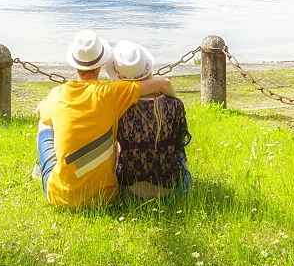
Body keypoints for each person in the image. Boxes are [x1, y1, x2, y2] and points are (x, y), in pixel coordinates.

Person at [36, 29, 177, 209]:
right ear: (102, 64)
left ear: (74, 63)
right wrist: (173, 103)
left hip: (61, 198)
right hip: (105, 197)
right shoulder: (111, 93)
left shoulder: (57, 95)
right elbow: (164, 83)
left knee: (45, 124)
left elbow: (39, 111)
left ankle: (45, 170)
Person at [108, 40, 192, 199]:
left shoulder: (118, 108)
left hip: (130, 192)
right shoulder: (174, 104)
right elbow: (181, 145)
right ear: (148, 67)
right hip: (176, 190)